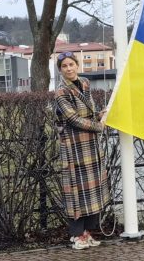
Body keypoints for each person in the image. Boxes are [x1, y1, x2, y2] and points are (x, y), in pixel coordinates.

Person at [54, 51, 110, 250]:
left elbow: (87, 112)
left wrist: (99, 115)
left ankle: (87, 232)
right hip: (73, 145)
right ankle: (77, 234)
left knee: (92, 189)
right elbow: (72, 118)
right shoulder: (61, 91)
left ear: (77, 65)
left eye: (71, 64)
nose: (69, 69)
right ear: (60, 70)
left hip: (90, 145)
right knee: (76, 190)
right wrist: (98, 126)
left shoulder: (85, 83)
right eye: (64, 66)